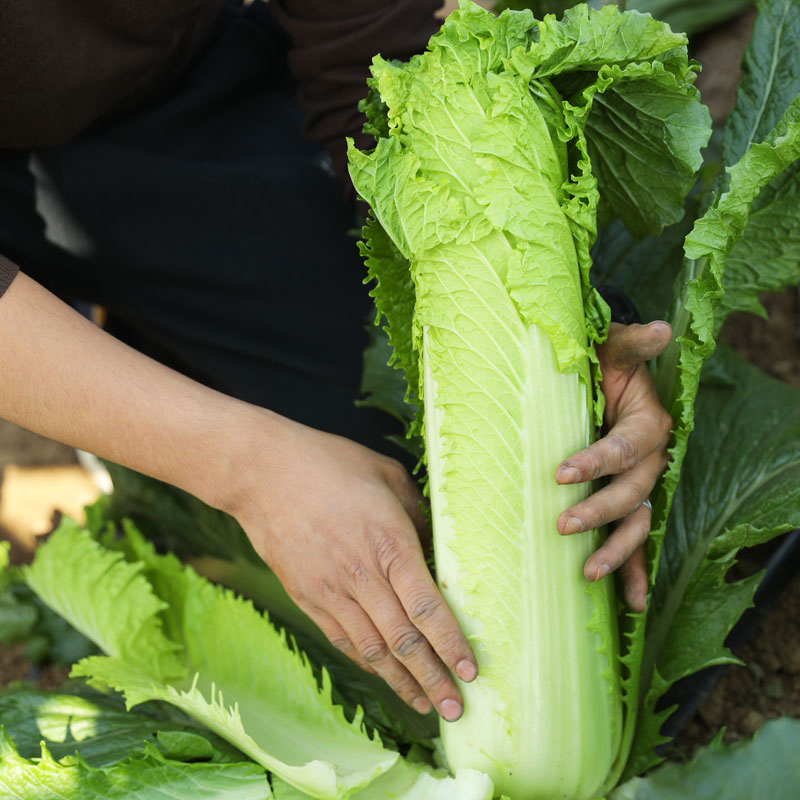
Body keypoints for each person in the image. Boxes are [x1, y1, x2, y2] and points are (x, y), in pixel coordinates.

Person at [0, 0, 672, 724]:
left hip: (152, 93)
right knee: (319, 515)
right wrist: (251, 471)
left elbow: (364, 40)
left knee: (436, 487)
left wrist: (549, 336)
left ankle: (140, 350)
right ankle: (103, 385)